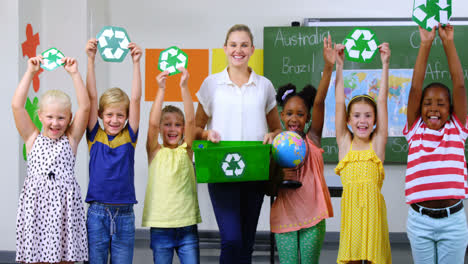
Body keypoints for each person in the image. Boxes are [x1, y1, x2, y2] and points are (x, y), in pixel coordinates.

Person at [195, 24, 282, 263]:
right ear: (225, 48)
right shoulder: (211, 84)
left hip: (254, 172)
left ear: (252, 49)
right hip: (222, 172)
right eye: (233, 44)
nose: (238, 50)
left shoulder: (264, 85)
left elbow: (277, 128)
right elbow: (195, 129)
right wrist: (207, 134)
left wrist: (273, 135)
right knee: (231, 239)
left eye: (244, 45)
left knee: (246, 242)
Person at [12, 56, 89, 264]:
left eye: (61, 118)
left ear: (69, 118)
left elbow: (85, 108)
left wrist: (74, 74)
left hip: (65, 207)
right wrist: (30, 72)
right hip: (36, 206)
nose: (55, 123)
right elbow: (17, 106)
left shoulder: (70, 139)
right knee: (37, 258)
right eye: (50, 117)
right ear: (40, 116)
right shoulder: (32, 138)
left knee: (65, 257)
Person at [404, 24, 468, 264]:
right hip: (419, 221)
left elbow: (459, 86)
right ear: (419, 108)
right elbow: (415, 87)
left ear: (450, 109)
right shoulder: (415, 129)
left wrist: (448, 42)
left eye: (441, 103)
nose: (433, 108)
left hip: (453, 221)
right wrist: (426, 43)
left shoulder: (457, 129)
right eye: (428, 103)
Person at [269, 36, 335, 264]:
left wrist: (328, 67)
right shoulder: (275, 145)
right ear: (282, 116)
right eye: (288, 113)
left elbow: (319, 102)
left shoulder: (312, 139)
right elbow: (265, 185)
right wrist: (277, 174)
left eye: (300, 113)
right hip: (285, 217)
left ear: (307, 118)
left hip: (312, 218)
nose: (294, 118)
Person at [84, 38, 142, 263]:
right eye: (109, 114)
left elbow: (135, 99)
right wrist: (91, 59)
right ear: (100, 114)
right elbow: (90, 97)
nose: (115, 120)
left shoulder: (129, 136)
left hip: (125, 215)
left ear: (127, 116)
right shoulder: (95, 136)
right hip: (97, 213)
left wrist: (136, 63)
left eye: (120, 115)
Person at [334, 42, 392, 264]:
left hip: (374, 218)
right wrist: (339, 65)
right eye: (356, 116)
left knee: (373, 260)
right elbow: (340, 101)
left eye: (368, 116)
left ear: (375, 120)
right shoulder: (344, 143)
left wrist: (385, 64)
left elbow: (382, 100)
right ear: (348, 120)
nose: (362, 121)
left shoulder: (376, 144)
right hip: (351, 218)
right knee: (352, 260)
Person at [142, 68, 201, 264]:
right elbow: (151, 124)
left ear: (183, 129)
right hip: (161, 228)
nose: (173, 128)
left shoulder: (187, 150)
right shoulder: (154, 151)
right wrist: (161, 89)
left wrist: (184, 86)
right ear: (160, 128)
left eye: (177, 124)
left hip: (187, 228)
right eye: (167, 124)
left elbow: (192, 120)